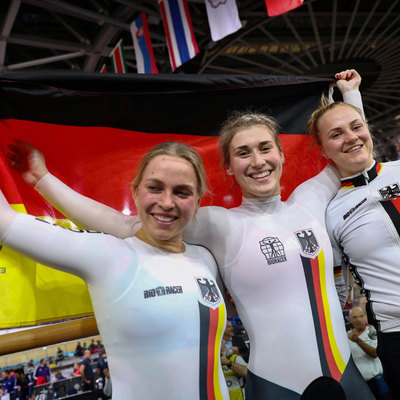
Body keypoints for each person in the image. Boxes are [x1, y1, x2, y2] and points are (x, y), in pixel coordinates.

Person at [7, 71, 371, 399]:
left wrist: (350, 94)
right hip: (277, 386)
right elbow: (119, 224)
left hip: (347, 376)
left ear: (281, 154)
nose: (257, 161)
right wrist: (42, 179)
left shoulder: (309, 199)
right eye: (243, 153)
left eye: (265, 148)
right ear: (228, 166)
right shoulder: (216, 223)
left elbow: (354, 151)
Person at [0, 142, 229, 399]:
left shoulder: (205, 259)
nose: (167, 202)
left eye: (182, 192)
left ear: (197, 201)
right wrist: (42, 179)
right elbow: (4, 221)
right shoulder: (106, 256)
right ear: (135, 192)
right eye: (154, 188)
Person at [307, 71, 400, 399]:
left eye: (356, 127)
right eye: (336, 134)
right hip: (396, 335)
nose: (350, 137)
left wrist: (351, 93)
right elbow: (338, 292)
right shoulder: (329, 213)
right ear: (322, 149)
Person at [347, 307, 390, 400]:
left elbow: (375, 353)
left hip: (376, 381)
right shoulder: (348, 336)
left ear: (365, 317)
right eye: (355, 317)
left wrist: (358, 341)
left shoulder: (372, 331)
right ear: (350, 319)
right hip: (359, 384)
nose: (358, 319)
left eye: (361, 316)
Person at [221, 320, 248, 400]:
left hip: (239, 382)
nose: (232, 328)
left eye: (231, 326)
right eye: (229, 327)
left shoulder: (238, 340)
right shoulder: (216, 343)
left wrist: (238, 352)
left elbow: (248, 355)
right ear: (223, 329)